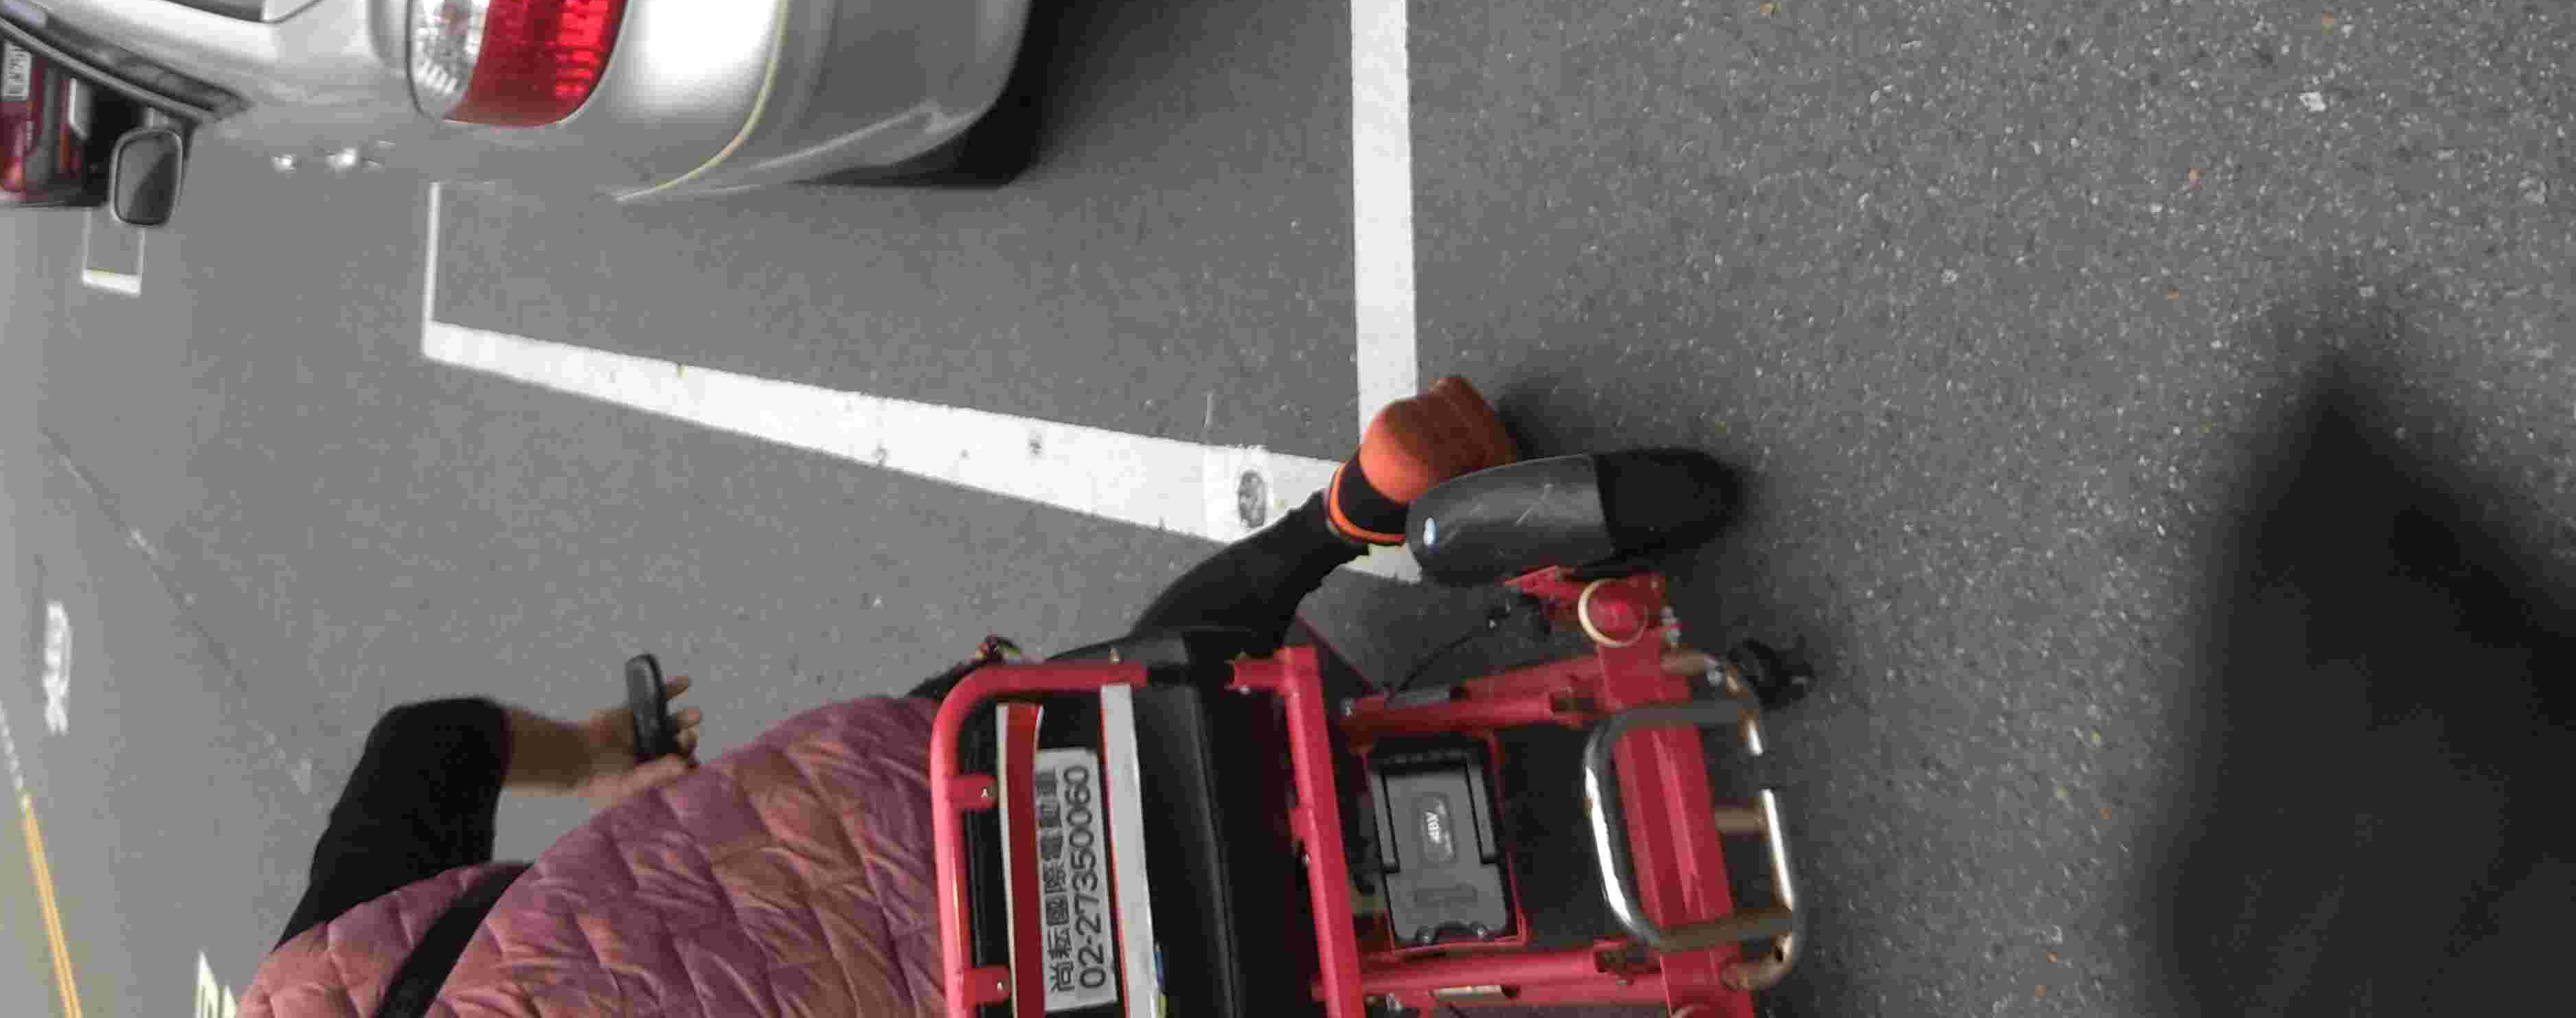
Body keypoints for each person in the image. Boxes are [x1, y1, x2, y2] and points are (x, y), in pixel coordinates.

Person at [241, 381, 1738, 1018]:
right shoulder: (311, 991)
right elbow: (426, 745)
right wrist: (593, 765)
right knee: (1120, 698)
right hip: (903, 795)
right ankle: (1365, 500)